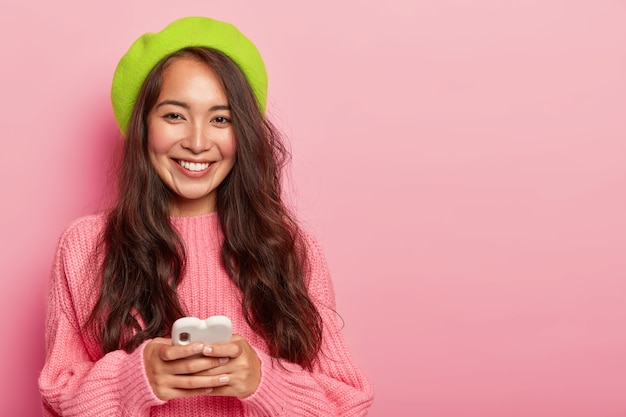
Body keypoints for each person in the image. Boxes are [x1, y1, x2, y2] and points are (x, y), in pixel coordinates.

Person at [38, 16, 374, 417]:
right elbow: (58, 400)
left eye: (220, 119)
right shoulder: (86, 247)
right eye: (175, 116)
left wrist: (263, 383)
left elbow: (347, 402)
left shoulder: (288, 248)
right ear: (143, 126)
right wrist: (134, 378)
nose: (197, 143)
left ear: (243, 134)